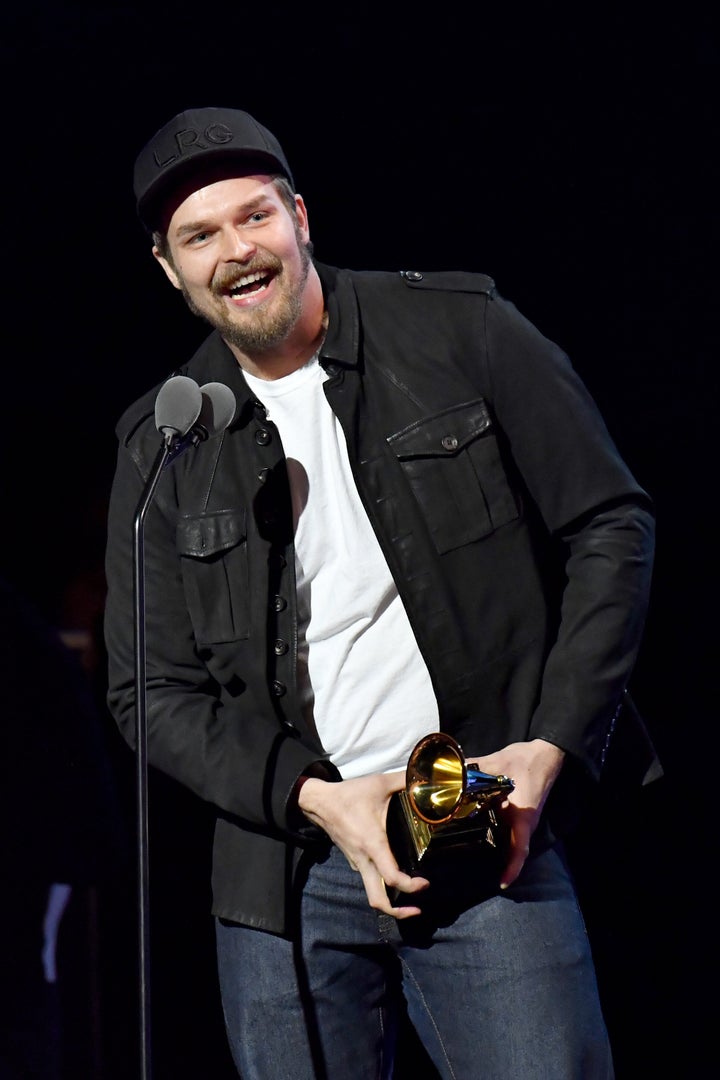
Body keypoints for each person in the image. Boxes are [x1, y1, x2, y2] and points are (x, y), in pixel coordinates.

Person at [104, 105, 659, 1079]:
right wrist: (317, 798)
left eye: (255, 217)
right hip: (284, 878)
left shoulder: (460, 329)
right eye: (201, 236)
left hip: (479, 841)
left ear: (301, 217)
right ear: (167, 267)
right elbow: (146, 691)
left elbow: (612, 524)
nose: (238, 251)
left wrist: (553, 743)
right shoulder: (165, 439)